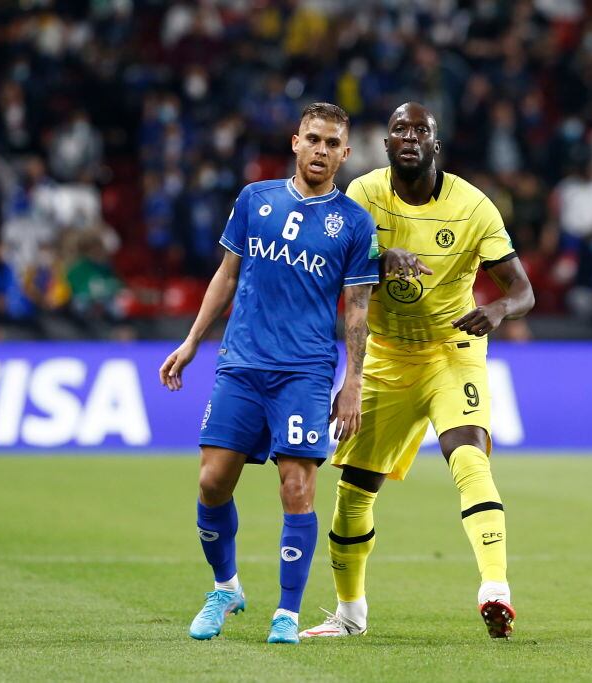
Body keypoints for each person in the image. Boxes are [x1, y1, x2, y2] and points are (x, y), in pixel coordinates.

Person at [300, 102, 535, 640]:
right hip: (385, 354)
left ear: (436, 143)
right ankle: (350, 613)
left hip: (453, 350)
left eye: (420, 130)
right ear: (386, 146)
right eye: (399, 129)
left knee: (469, 455)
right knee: (355, 492)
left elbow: (522, 289)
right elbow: (331, 264)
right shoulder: (362, 195)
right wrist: (381, 261)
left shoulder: (473, 206)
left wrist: (496, 310)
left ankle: (495, 589)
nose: (409, 137)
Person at [158, 103, 379, 644]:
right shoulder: (255, 200)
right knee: (212, 481)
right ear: (295, 142)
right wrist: (191, 341)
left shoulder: (354, 222)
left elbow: (356, 309)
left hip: (303, 372)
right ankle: (226, 586)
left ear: (345, 154)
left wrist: (352, 383)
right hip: (241, 364)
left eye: (332, 143)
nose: (322, 151)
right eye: (314, 139)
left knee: (297, 486)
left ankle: (287, 612)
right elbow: (226, 275)